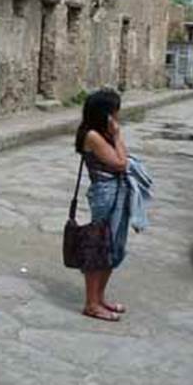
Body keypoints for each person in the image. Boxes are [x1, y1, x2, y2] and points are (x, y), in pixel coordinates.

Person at [74, 89, 131, 321]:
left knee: (114, 247)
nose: (118, 115)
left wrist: (116, 137)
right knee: (100, 246)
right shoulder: (92, 136)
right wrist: (117, 137)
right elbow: (120, 162)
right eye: (115, 111)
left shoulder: (102, 133)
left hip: (115, 191)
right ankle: (91, 303)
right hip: (104, 194)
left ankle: (99, 298)